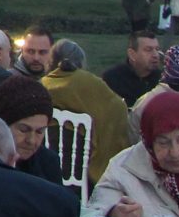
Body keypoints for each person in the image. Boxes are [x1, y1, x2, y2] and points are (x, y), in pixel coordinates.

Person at [89, 88, 179, 217]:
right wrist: (113, 216)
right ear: (149, 143)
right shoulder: (123, 169)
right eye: (163, 142)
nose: (174, 152)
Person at [38, 39, 130, 185]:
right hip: (84, 172)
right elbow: (118, 108)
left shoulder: (42, 85)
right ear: (81, 62)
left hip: (43, 170)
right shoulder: (91, 84)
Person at [101, 28, 164, 107]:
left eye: (157, 49)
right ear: (132, 54)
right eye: (148, 50)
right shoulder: (112, 79)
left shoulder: (163, 81)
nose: (155, 55)